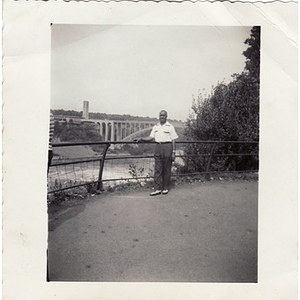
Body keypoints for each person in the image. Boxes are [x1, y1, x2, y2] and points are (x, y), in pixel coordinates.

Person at [135, 110, 178, 196]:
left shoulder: (170, 127)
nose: (162, 117)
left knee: (166, 169)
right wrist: (141, 139)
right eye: (160, 115)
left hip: (167, 146)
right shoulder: (156, 127)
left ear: (166, 117)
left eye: (163, 115)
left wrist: (173, 152)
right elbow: (151, 138)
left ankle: (165, 188)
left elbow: (173, 140)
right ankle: (157, 189)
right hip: (158, 147)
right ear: (159, 116)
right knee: (158, 169)